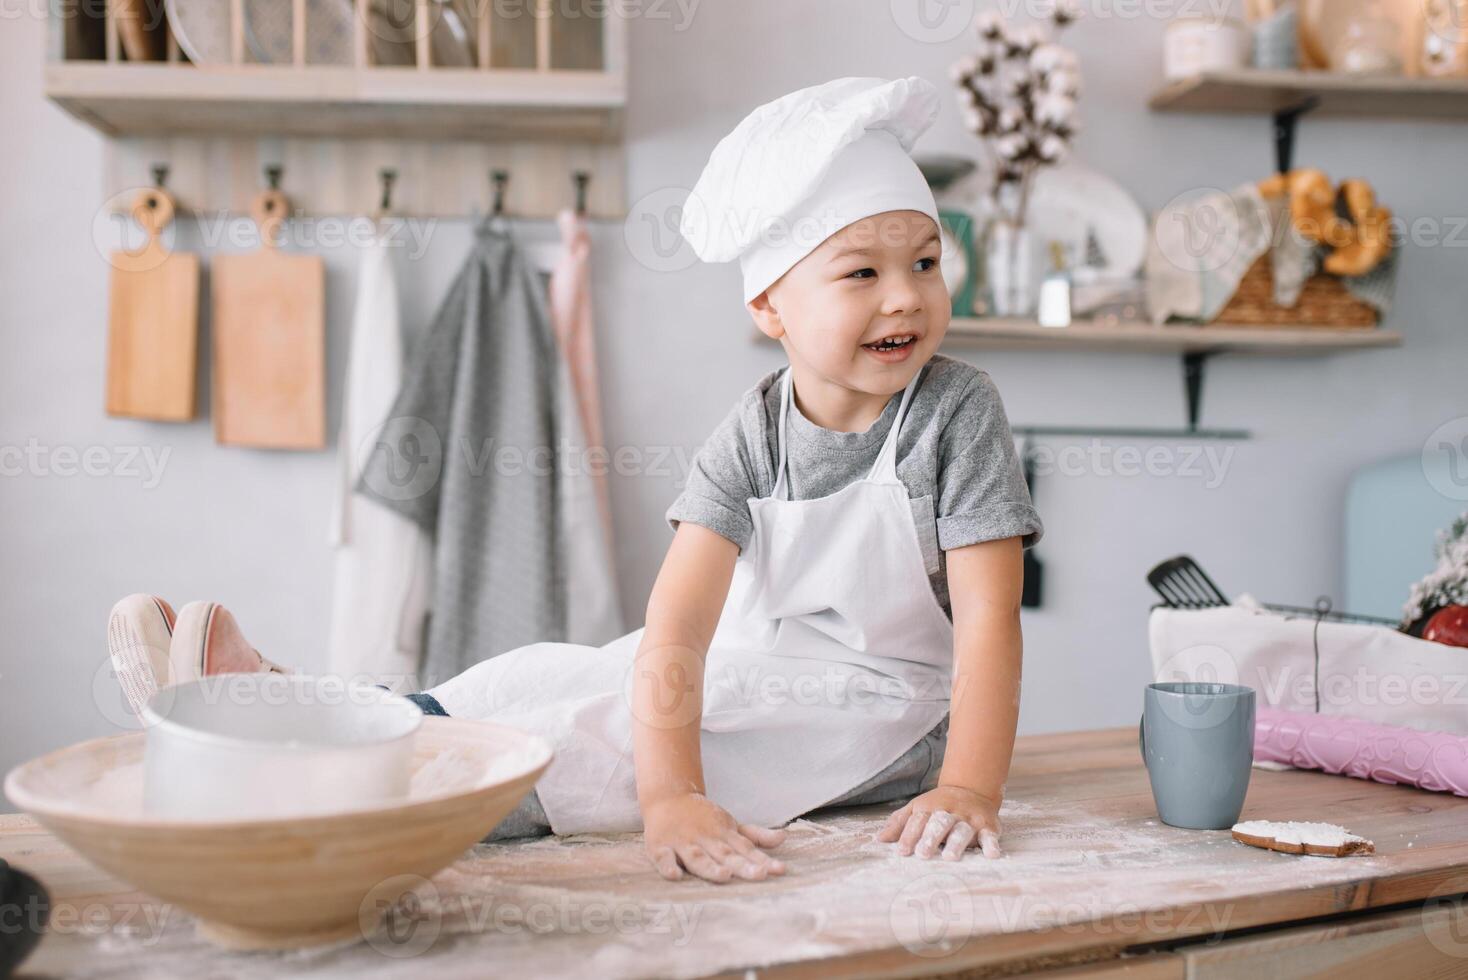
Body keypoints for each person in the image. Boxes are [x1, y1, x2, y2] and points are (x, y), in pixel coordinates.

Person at [105, 76, 1043, 886]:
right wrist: (674, 800)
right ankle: (313, 715)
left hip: (890, 711)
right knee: (544, 671)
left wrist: (965, 786)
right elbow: (677, 626)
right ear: (770, 307)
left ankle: (303, 772)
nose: (905, 296)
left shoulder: (955, 415)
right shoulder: (750, 435)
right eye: (861, 271)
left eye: (925, 263)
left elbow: (990, 626)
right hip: (762, 662)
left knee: (600, 733)